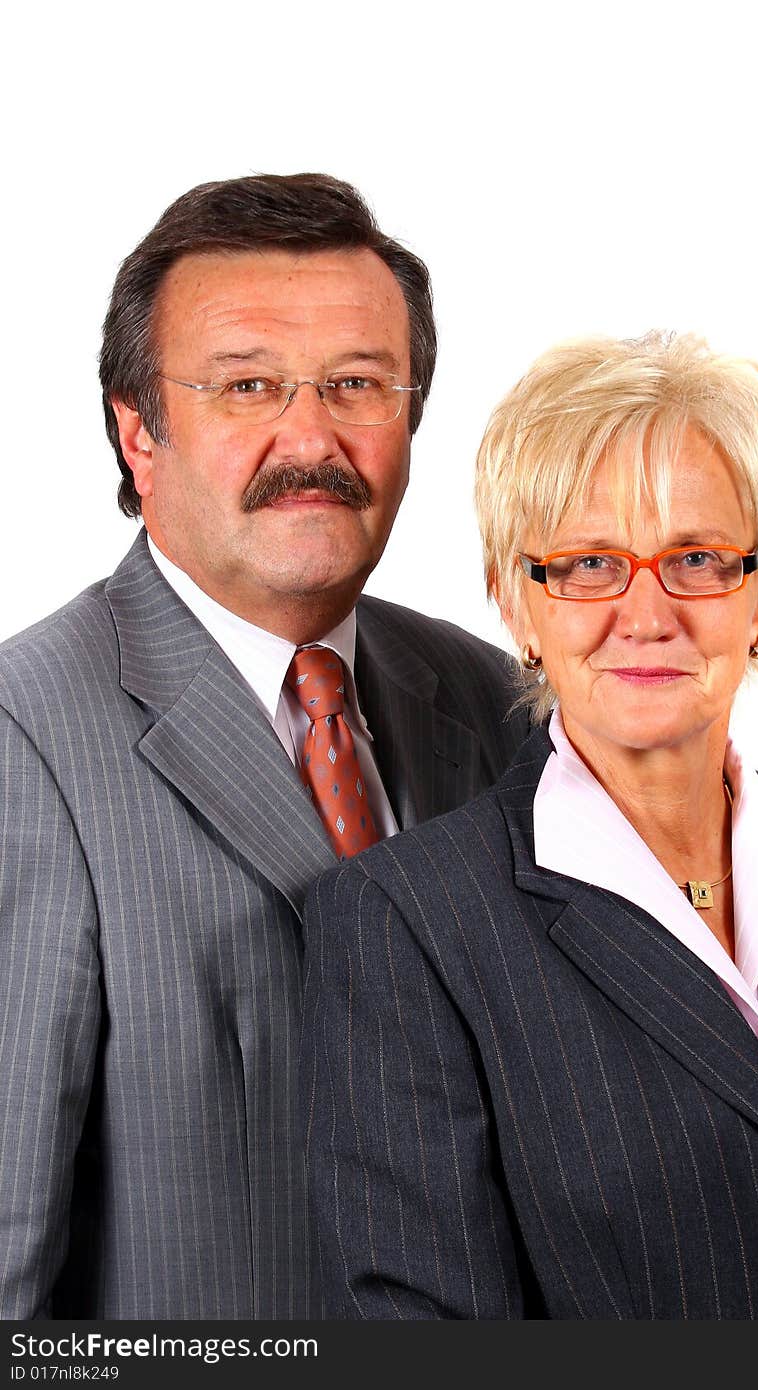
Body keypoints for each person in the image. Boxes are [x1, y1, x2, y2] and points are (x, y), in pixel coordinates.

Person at [0, 173, 528, 1320]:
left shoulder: (489, 700)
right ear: (138, 431)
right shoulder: (23, 735)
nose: (312, 437)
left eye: (357, 384)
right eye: (246, 386)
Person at [302, 331, 758, 1319]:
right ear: (515, 603)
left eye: (696, 557)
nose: (645, 612)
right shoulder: (408, 922)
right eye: (587, 564)